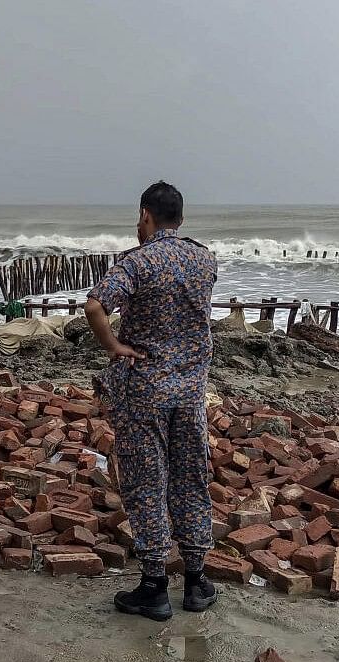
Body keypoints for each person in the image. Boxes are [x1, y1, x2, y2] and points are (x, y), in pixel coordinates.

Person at [84, 181, 218, 621]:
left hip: (146, 391)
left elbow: (94, 307)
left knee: (147, 483)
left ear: (145, 215)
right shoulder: (204, 259)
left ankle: (155, 586)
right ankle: (197, 581)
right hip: (191, 391)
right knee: (191, 478)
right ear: (180, 219)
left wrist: (114, 348)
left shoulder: (137, 263)